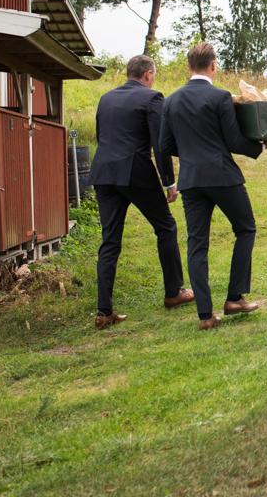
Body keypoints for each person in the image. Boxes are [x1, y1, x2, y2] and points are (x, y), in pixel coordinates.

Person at [159, 42, 267, 330]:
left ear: (189, 67)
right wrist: (263, 144)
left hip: (190, 180)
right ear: (213, 65)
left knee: (196, 245)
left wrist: (191, 155)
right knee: (246, 228)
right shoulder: (219, 97)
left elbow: (164, 145)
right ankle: (235, 297)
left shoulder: (171, 101)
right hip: (223, 176)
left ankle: (205, 316)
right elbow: (235, 140)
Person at [88, 55, 194, 329]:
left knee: (110, 240)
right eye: (153, 75)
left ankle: (103, 311)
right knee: (166, 226)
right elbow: (159, 145)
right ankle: (174, 292)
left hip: (103, 171)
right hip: (134, 169)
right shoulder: (151, 98)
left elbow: (103, 136)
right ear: (148, 74)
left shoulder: (106, 98)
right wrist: (169, 182)